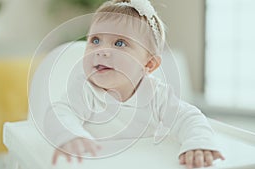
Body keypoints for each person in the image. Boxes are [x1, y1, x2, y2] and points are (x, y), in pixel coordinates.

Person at [44, 0, 225, 168]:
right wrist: (72, 136)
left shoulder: (156, 95)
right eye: (95, 40)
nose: (102, 51)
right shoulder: (86, 90)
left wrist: (198, 143)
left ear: (148, 65)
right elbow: (59, 113)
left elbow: (189, 117)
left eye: (120, 43)